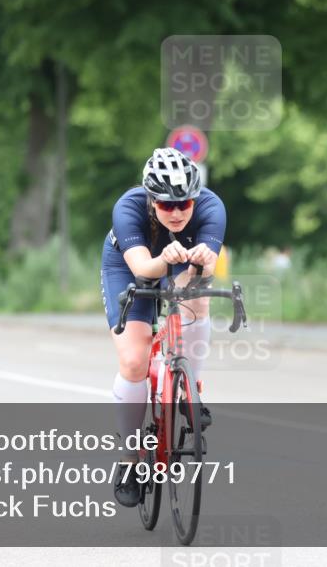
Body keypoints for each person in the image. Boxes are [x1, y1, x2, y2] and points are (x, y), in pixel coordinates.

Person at [101, 148, 225, 507]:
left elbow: (205, 269)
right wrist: (163, 261)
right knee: (135, 362)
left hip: (181, 264)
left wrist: (198, 268)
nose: (177, 212)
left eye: (184, 203)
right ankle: (128, 459)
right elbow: (142, 269)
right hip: (128, 266)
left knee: (197, 299)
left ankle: (192, 394)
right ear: (150, 199)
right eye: (166, 205)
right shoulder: (128, 207)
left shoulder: (212, 207)